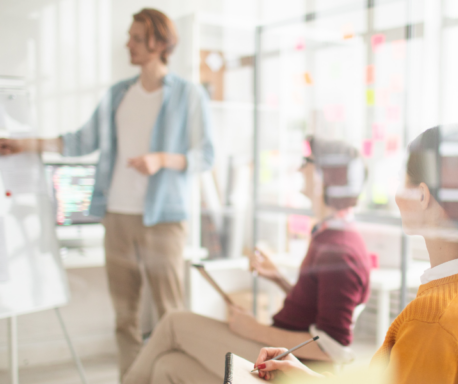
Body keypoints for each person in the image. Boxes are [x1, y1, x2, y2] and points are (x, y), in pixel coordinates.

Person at [0, 8, 214, 378]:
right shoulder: (117, 95)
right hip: (117, 215)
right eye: (130, 37)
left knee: (172, 315)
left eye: (137, 38)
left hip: (164, 220)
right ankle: (131, 378)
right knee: (124, 316)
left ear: (159, 43)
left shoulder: (188, 95)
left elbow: (206, 155)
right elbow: (80, 141)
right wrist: (24, 144)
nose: (128, 44)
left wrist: (161, 158)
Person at [254, 124, 458, 384]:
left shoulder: (432, 320)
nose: (396, 194)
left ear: (422, 195)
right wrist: (305, 377)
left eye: (402, 180)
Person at [122, 137, 372, 384]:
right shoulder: (330, 236)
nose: (300, 167)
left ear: (325, 176)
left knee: (173, 322)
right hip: (278, 351)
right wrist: (279, 279)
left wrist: (252, 329)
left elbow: (332, 349)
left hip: (287, 367)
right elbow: (316, 309)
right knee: (168, 367)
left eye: (308, 161)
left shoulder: (340, 249)